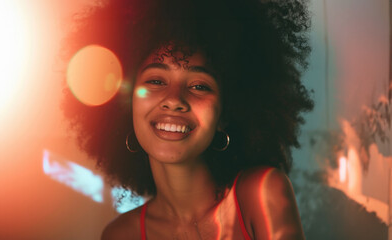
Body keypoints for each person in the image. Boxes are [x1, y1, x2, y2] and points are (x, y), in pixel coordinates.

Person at [62, 0, 313, 239]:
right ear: (125, 106)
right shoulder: (119, 235)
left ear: (226, 113)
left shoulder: (260, 195)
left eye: (199, 86)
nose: (174, 100)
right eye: (156, 81)